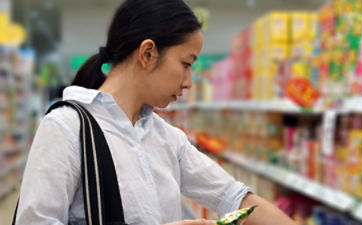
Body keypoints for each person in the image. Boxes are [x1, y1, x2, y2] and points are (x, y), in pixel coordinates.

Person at [15, 0, 296, 224]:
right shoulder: (66, 128)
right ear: (148, 53)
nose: (188, 82)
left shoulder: (167, 139)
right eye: (186, 64)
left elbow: (235, 198)